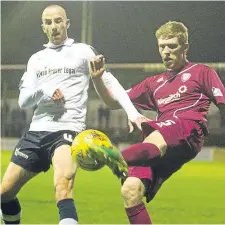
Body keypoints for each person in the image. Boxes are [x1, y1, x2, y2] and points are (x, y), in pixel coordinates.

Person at [0, 4, 146, 225]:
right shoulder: (36, 59)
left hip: (67, 132)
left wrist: (133, 113)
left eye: (58, 21)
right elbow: (23, 101)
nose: (54, 26)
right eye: (48, 22)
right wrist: (45, 90)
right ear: (43, 27)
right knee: (4, 193)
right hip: (36, 132)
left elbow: (111, 82)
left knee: (63, 186)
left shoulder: (83, 51)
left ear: (67, 23)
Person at [90, 21, 225, 224]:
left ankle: (115, 157)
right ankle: (126, 161)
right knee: (130, 190)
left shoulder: (202, 72)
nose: (166, 52)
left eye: (172, 46)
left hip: (188, 128)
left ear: (185, 47)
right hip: (162, 139)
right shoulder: (153, 83)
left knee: (154, 136)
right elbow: (112, 102)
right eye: (162, 46)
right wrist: (97, 80)